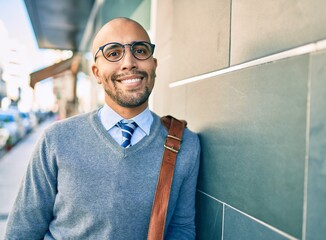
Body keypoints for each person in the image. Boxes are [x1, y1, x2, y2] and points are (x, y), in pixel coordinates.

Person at [5, 17, 200, 239]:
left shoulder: (185, 144)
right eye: (114, 53)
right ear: (97, 73)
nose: (129, 62)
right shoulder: (56, 139)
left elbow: (181, 229)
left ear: (154, 65)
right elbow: (21, 232)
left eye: (140, 50)